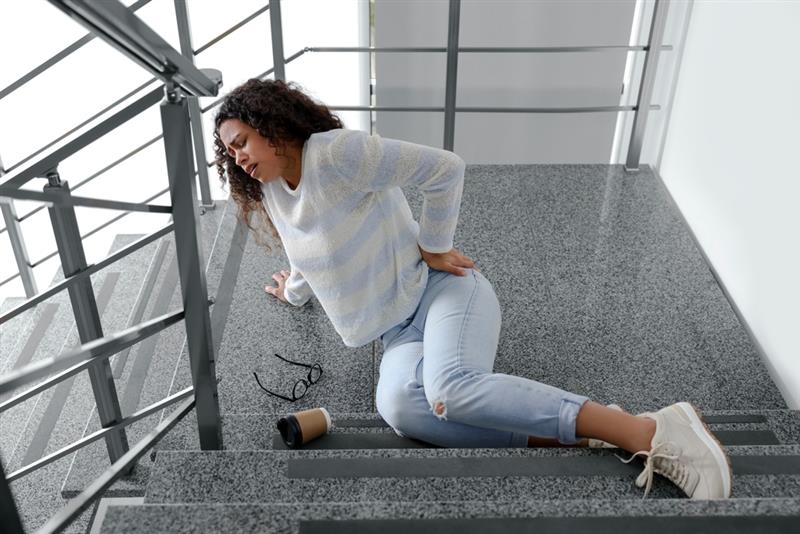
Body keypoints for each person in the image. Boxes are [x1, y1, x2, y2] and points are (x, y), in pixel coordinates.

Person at [213, 78, 732, 500]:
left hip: (443, 293)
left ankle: (652, 432)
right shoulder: (273, 192)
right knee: (401, 410)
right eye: (228, 152)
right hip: (397, 336)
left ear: (273, 127)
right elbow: (307, 250)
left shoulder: (338, 154)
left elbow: (444, 169)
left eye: (241, 143)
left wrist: (435, 245)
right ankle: (587, 428)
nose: (237, 158)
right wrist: (294, 292)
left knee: (449, 390)